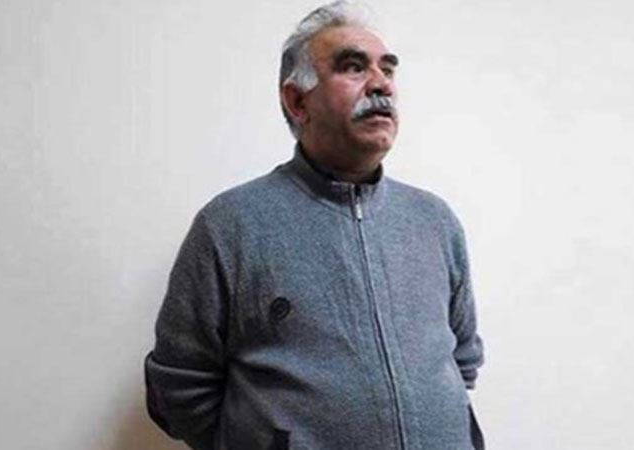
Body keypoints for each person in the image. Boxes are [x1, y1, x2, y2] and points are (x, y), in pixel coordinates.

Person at [144, 1, 486, 449]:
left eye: (387, 69)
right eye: (353, 67)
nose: (381, 84)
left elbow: (463, 359)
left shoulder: (434, 220)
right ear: (297, 101)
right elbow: (179, 386)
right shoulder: (231, 225)